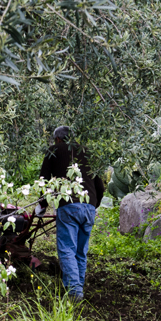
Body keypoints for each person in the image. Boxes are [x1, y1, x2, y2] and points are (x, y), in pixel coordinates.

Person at [37, 126, 104, 301]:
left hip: (68, 205)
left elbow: (44, 181)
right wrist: (93, 205)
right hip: (89, 206)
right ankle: (76, 287)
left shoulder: (53, 151)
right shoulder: (87, 152)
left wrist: (41, 206)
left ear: (58, 139)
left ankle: (74, 291)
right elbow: (100, 185)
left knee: (67, 249)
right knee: (81, 251)